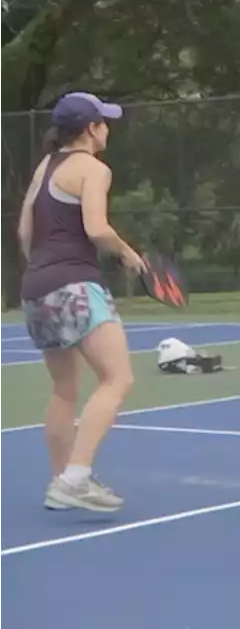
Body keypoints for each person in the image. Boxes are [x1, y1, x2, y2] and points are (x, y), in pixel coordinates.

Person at [18, 92, 144, 513]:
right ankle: (76, 477)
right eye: (104, 122)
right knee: (118, 378)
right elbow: (96, 228)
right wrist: (126, 252)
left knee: (64, 390)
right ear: (91, 129)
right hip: (75, 283)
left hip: (36, 286)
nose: (108, 128)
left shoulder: (44, 168)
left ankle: (60, 483)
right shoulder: (94, 169)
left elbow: (24, 231)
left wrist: (45, 270)